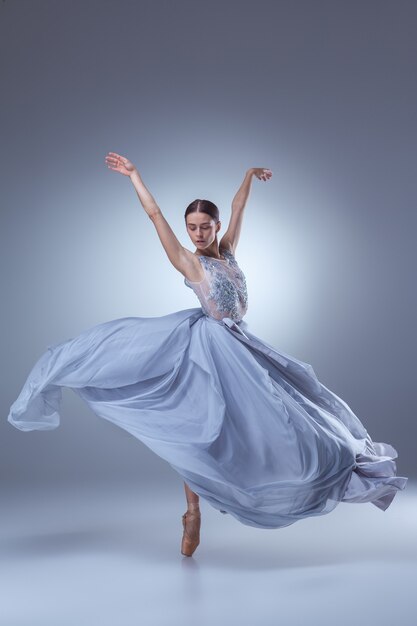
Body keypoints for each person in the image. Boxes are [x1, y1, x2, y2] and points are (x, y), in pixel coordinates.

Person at [7, 153, 408, 558]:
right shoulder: (190, 263)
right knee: (200, 429)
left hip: (243, 346)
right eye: (191, 228)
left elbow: (238, 207)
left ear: (216, 227)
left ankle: (282, 482)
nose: (197, 234)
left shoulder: (228, 251)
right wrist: (134, 177)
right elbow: (154, 215)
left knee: (290, 416)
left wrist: (249, 175)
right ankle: (193, 512)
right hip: (209, 350)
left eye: (204, 227)